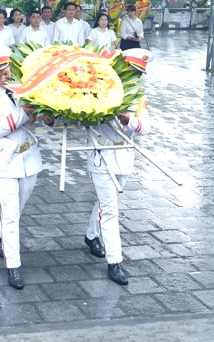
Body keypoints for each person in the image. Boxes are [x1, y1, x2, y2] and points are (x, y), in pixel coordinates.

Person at [0, 46, 56, 290]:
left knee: (17, 210)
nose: (3, 76)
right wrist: (24, 112)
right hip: (5, 163)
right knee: (11, 215)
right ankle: (13, 266)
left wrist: (50, 118)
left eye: (5, 70)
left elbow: (46, 121)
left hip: (29, 158)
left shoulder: (27, 89)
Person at [85, 48, 152, 286]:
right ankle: (115, 262)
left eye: (138, 73)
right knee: (111, 210)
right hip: (101, 155)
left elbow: (145, 127)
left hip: (124, 156)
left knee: (105, 203)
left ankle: (91, 235)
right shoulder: (99, 87)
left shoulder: (138, 96)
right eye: (131, 71)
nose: (134, 77)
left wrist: (129, 120)